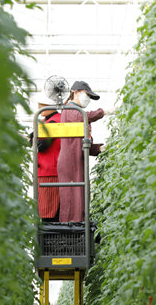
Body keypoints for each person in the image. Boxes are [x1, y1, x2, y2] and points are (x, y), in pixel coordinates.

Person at [57, 81, 105, 223]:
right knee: (72, 199)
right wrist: (103, 112)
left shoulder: (74, 110)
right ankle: (70, 233)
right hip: (70, 162)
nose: (88, 99)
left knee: (79, 198)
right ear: (76, 92)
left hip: (75, 159)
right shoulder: (71, 109)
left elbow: (81, 143)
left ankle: (77, 230)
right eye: (87, 95)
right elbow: (83, 117)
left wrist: (99, 149)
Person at [34, 91, 62, 222]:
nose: (39, 108)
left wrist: (32, 139)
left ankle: (50, 240)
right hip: (47, 171)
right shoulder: (48, 121)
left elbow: (41, 144)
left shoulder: (54, 122)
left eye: (42, 105)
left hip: (50, 173)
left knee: (49, 212)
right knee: (47, 210)